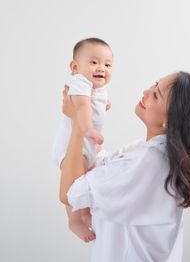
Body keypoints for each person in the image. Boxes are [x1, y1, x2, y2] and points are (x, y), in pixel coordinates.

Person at [59, 72, 190, 261]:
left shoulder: (149, 163)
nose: (146, 91)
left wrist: (77, 125)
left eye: (156, 95)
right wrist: (90, 116)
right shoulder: (155, 153)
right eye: (154, 85)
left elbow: (69, 193)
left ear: (171, 120)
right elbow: (99, 162)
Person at [53, 37, 113, 242]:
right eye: (94, 62)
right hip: (72, 143)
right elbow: (81, 107)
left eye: (107, 64)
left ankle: (84, 212)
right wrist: (88, 129)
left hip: (87, 144)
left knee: (85, 181)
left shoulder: (95, 87)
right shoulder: (79, 81)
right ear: (75, 66)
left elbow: (93, 103)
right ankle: (74, 220)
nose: (101, 68)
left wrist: (103, 103)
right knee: (74, 183)